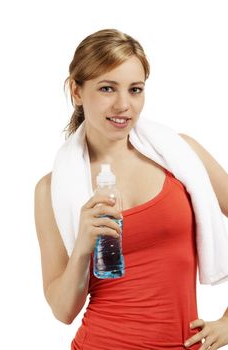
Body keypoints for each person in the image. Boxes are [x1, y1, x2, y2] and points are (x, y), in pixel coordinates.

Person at [34, 28, 228, 349]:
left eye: (135, 89)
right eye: (107, 88)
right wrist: (83, 244)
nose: (123, 104)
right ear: (76, 92)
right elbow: (62, 310)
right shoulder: (51, 189)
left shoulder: (182, 156)